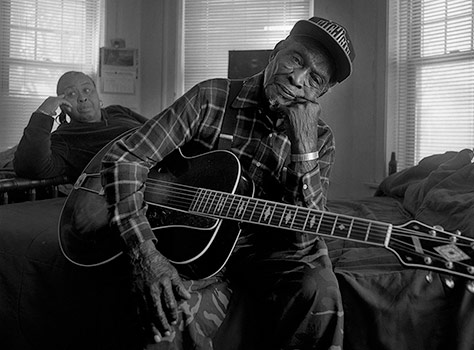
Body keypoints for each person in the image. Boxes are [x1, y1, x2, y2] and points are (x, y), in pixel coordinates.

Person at [101, 16, 355, 349]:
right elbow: (126, 158)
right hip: (194, 247)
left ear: (324, 91)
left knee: (321, 292)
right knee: (162, 314)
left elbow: (305, 238)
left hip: (269, 251)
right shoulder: (212, 97)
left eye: (315, 78)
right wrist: (143, 251)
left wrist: (303, 145)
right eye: (296, 59)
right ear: (277, 51)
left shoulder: (321, 139)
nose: (297, 78)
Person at [13, 71, 148, 182]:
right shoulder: (65, 138)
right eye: (71, 94)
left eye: (87, 90)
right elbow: (29, 167)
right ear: (63, 105)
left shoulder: (118, 111)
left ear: (97, 94)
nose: (82, 97)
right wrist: (43, 113)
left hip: (163, 159)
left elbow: (157, 128)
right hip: (144, 182)